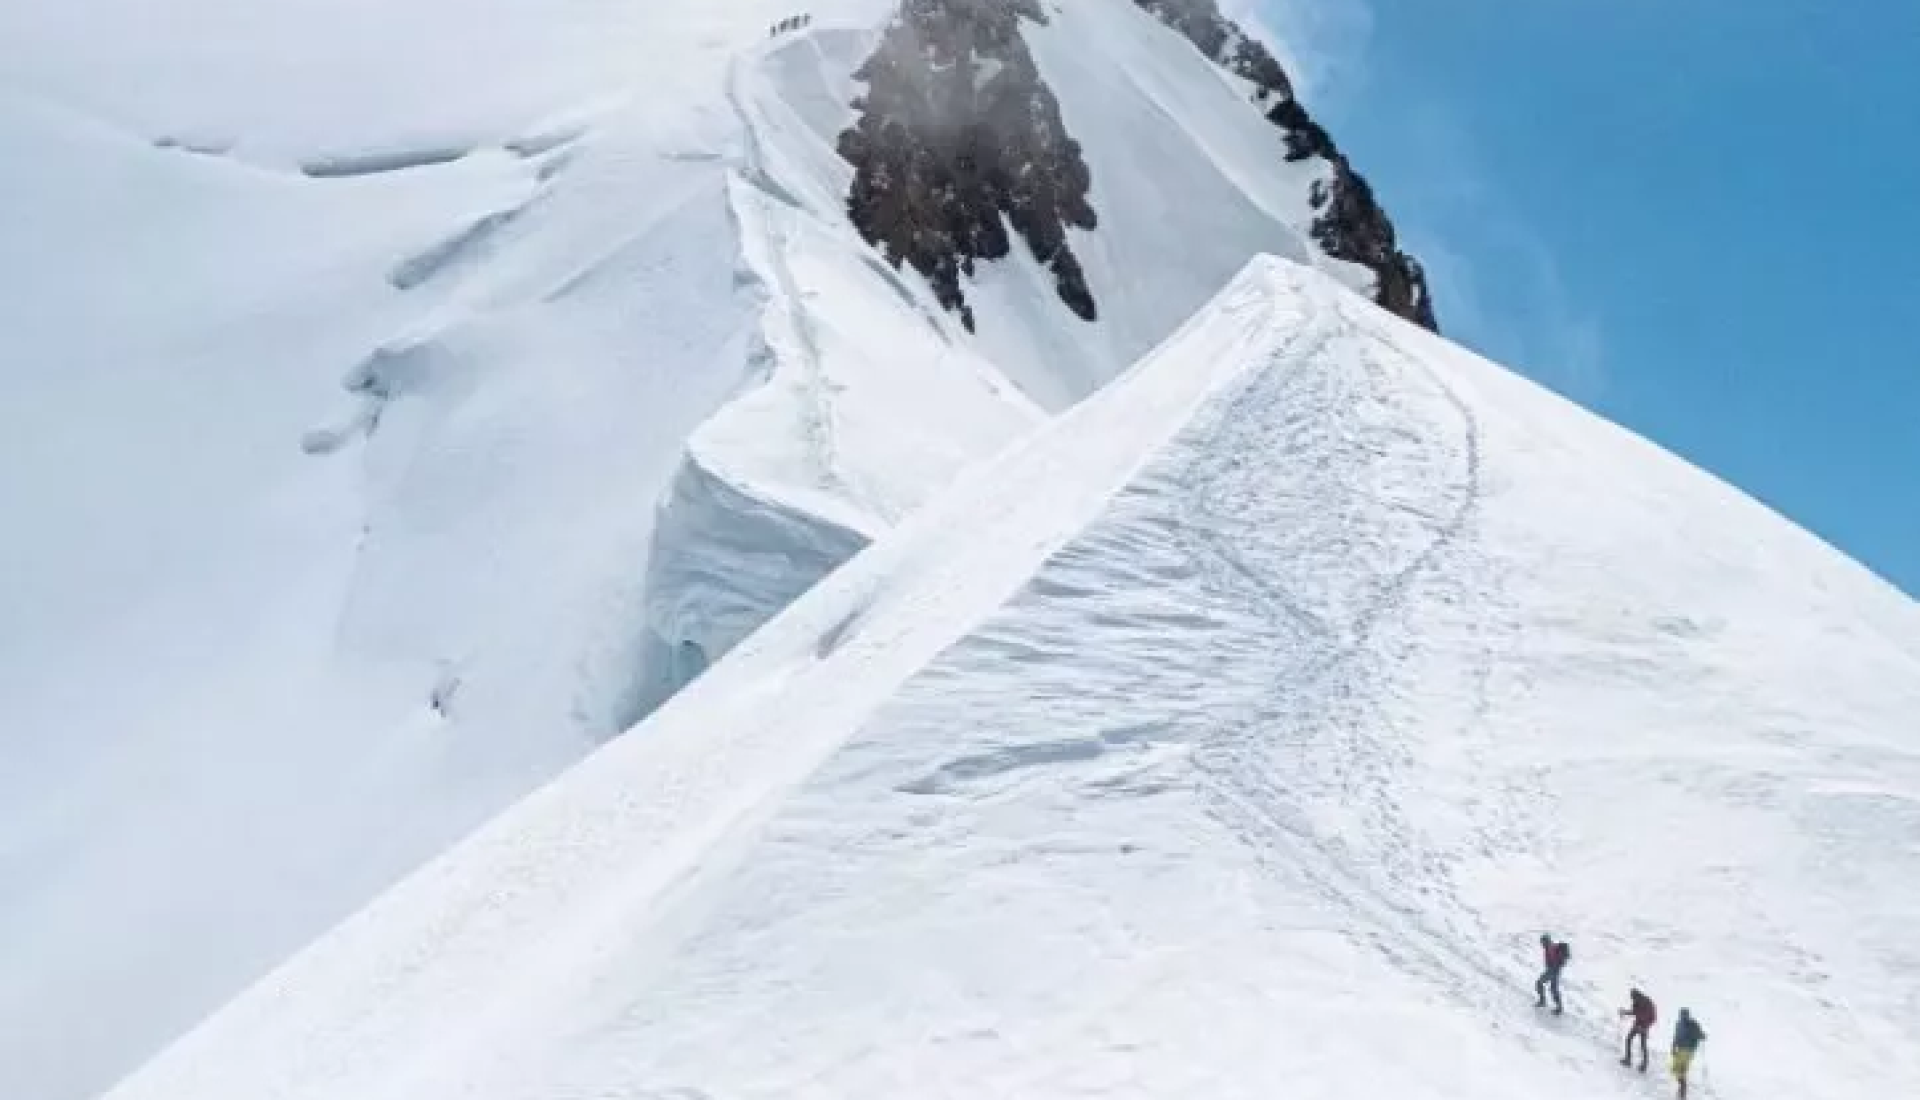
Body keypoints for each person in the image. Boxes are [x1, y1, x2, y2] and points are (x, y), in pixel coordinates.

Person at [1671, 1008, 1707, 1098]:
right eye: (1682, 1015)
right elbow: (1676, 1036)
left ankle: (1682, 1092)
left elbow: (1698, 1034)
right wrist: (1673, 1046)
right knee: (1676, 1069)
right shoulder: (1679, 1024)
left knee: (1679, 1069)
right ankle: (1682, 1088)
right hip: (1682, 1049)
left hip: (1688, 1050)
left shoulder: (1692, 1024)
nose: (1683, 1016)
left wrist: (1701, 1035)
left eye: (1684, 1014)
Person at [1618, 987, 1657, 1070]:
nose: (1631, 998)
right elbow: (1634, 1012)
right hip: (1638, 1024)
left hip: (1643, 1026)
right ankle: (1629, 1060)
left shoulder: (1646, 1002)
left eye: (1632, 996)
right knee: (1630, 1040)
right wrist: (1624, 1012)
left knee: (1641, 1044)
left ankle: (1643, 1065)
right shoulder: (1637, 1001)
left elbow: (1652, 1017)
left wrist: (1644, 1026)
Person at [1534, 934, 1570, 1013]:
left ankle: (1544, 1001)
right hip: (1554, 970)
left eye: (1542, 942)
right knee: (1552, 989)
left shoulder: (1551, 948)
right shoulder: (1550, 947)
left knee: (1540, 983)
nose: (1541, 944)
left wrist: (1553, 967)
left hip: (1553, 970)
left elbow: (1554, 960)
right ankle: (1558, 1006)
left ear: (1546, 941)